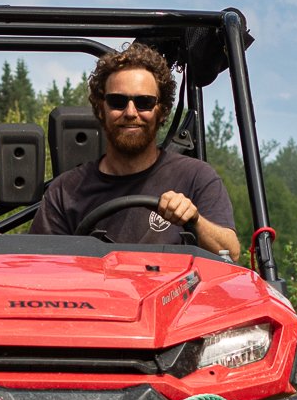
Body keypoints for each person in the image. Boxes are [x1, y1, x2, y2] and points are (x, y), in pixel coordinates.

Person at [31, 43, 239, 256]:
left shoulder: (195, 177)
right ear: (101, 109)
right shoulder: (65, 191)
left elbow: (230, 254)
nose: (130, 112)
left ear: (162, 110)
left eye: (144, 102)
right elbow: (39, 265)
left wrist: (195, 220)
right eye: (117, 101)